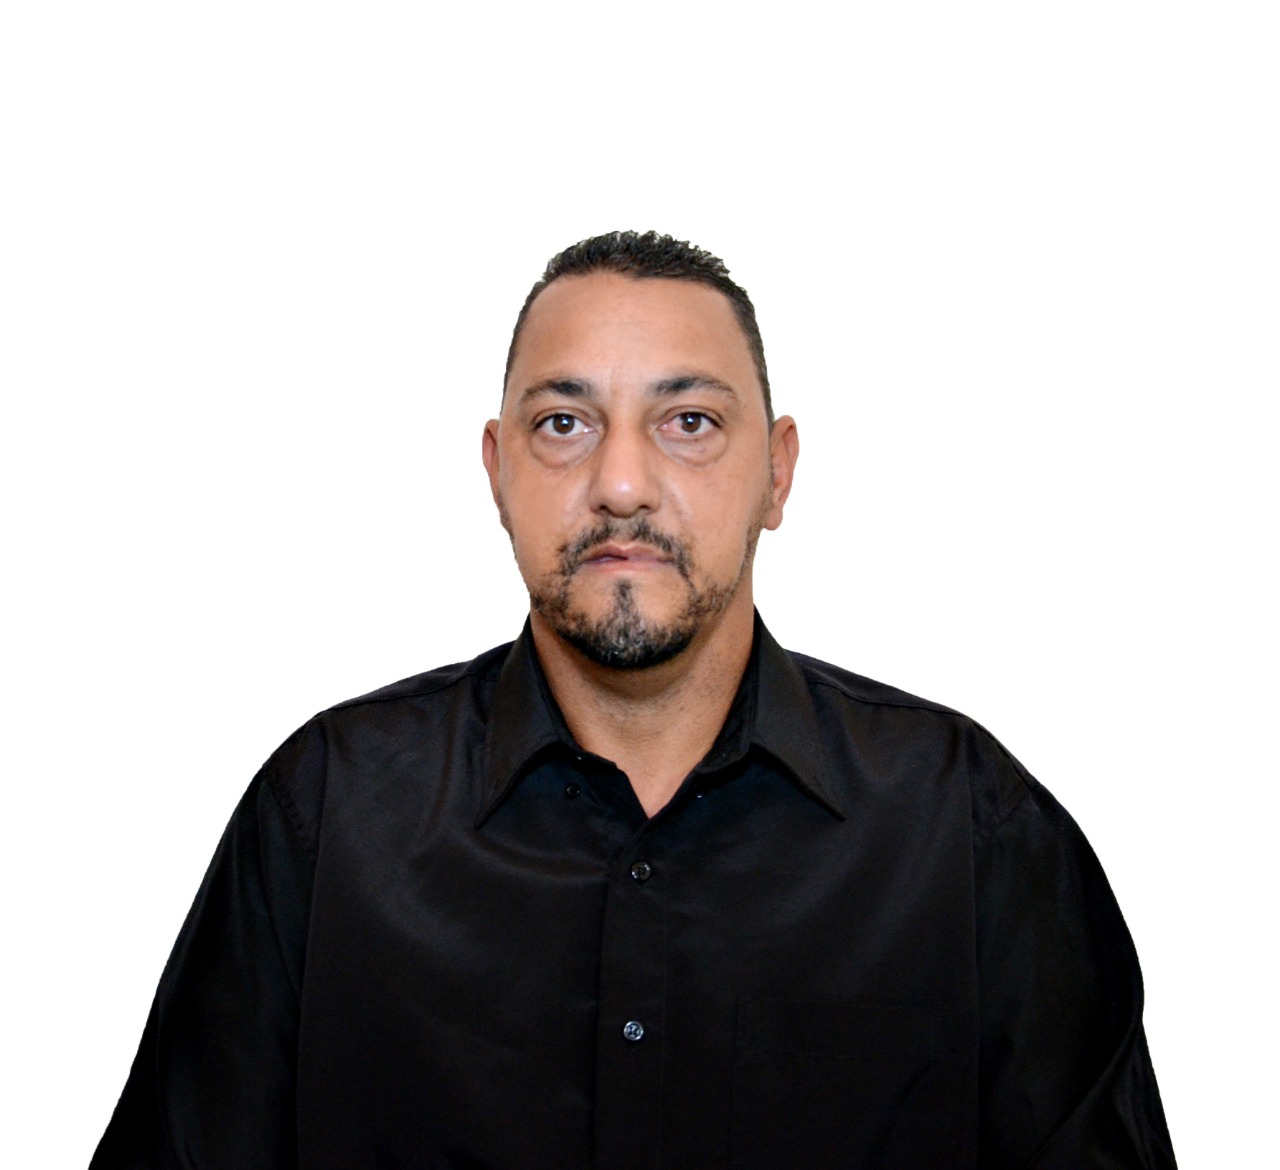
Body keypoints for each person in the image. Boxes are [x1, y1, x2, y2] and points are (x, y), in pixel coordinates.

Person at [91, 231, 1176, 1169]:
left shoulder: (971, 834)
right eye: (563, 423)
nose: (620, 483)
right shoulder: (324, 819)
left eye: (688, 421)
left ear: (778, 473)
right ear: (496, 471)